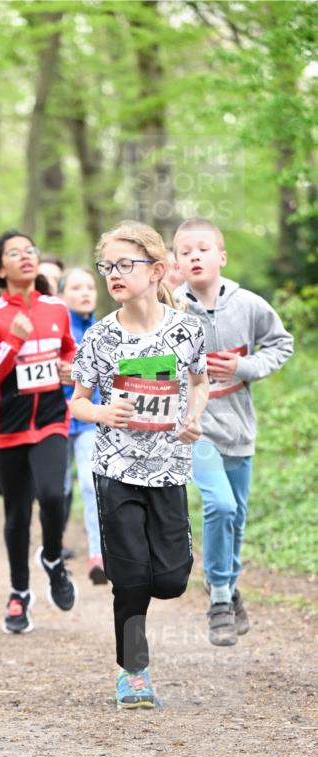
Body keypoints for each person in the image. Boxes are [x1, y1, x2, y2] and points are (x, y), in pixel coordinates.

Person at [70, 221, 209, 709]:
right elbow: (78, 402)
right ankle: (134, 671)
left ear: (156, 270)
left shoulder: (187, 330)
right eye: (106, 266)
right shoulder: (100, 337)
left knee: (170, 580)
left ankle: (149, 584)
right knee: (129, 580)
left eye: (123, 265)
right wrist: (103, 412)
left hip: (169, 468)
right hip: (116, 468)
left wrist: (193, 417)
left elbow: (201, 381)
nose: (112, 274)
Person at [173, 217, 293, 645]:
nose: (194, 256)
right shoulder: (170, 310)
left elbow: (281, 344)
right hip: (195, 428)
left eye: (202, 249)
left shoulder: (250, 305)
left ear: (221, 257)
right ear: (176, 263)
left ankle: (226, 584)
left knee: (237, 515)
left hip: (239, 426)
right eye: (185, 251)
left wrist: (246, 367)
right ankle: (220, 599)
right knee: (220, 505)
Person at [0, 230, 77, 635]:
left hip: (52, 417)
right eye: (14, 253)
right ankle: (19, 594)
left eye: (30, 250)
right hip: (8, 428)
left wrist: (70, 366)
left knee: (53, 494)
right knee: (16, 514)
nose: (26, 257)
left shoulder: (56, 309)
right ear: (1, 268)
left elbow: (69, 350)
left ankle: (52, 556)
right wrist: (12, 342)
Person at [58, 267, 107, 585]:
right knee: (58, 491)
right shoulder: (52, 329)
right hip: (55, 420)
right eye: (76, 287)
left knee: (92, 485)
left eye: (90, 286)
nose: (85, 292)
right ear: (61, 295)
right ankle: (53, 551)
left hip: (89, 418)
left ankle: (97, 555)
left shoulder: (105, 329)